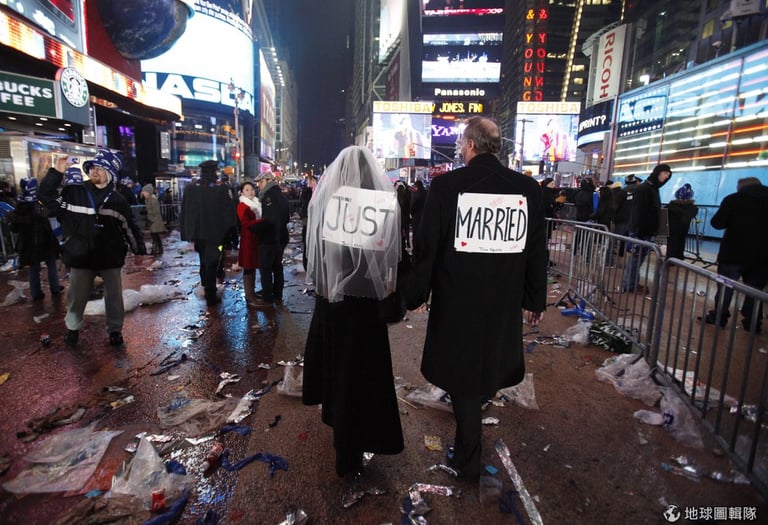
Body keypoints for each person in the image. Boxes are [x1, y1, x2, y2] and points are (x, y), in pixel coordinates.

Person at [405, 116, 547, 481]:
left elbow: (427, 246)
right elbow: (537, 249)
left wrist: (416, 293)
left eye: (461, 144)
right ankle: (469, 443)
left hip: (458, 297)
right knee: (485, 367)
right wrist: (534, 298)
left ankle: (468, 456)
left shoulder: (447, 186)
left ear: (469, 145)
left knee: (464, 374)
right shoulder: (526, 188)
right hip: (503, 298)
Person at [302, 145, 404, 478]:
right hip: (366, 308)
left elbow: (312, 257)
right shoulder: (382, 204)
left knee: (338, 373)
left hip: (333, 304)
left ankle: (343, 442)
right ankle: (358, 441)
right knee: (364, 377)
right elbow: (391, 260)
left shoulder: (326, 203)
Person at [38, 150, 146, 347]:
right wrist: (56, 173)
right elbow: (46, 198)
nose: (95, 171)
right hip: (81, 256)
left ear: (110, 174)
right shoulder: (74, 193)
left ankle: (115, 330)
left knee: (114, 297)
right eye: (93, 167)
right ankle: (72, 329)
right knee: (76, 297)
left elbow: (129, 227)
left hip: (109, 257)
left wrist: (139, 250)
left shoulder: (118, 200)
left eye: (101, 168)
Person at [702, 177, 768, 332]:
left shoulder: (733, 199)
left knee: (726, 287)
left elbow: (717, 223)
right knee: (755, 290)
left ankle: (719, 317)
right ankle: (753, 322)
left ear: (741, 188)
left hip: (733, 254)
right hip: (763, 256)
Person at [179, 160, 237, 307]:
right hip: (216, 234)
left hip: (198, 234)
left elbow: (185, 211)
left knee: (203, 259)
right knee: (212, 262)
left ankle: (205, 283)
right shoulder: (221, 187)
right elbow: (228, 212)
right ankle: (210, 293)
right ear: (214, 171)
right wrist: (230, 233)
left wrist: (186, 232)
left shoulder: (192, 187)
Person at [7, 177, 63, 301]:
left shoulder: (20, 205)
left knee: (34, 268)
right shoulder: (39, 203)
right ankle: (54, 288)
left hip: (29, 243)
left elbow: (15, 228)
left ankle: (36, 293)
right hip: (45, 240)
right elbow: (48, 216)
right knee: (51, 264)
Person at [620, 164, 671, 293]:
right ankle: (630, 284)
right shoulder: (644, 189)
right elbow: (638, 212)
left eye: (668, 175)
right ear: (658, 172)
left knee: (638, 258)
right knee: (636, 259)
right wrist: (639, 232)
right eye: (665, 173)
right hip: (641, 231)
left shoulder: (652, 189)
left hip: (645, 230)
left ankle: (631, 282)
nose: (667, 176)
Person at [253, 172, 290, 304]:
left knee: (266, 268)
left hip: (270, 237)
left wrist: (255, 227)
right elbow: (286, 217)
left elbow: (269, 219)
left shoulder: (268, 196)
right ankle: (278, 293)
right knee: (277, 266)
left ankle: (267, 296)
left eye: (261, 182)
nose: (258, 185)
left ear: (268, 181)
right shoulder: (280, 194)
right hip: (281, 236)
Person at [236, 181, 263, 306]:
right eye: (247, 190)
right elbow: (245, 223)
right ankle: (249, 297)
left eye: (252, 189)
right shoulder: (243, 206)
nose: (251, 192)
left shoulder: (256, 203)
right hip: (248, 240)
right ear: (242, 193)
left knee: (252, 267)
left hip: (255, 240)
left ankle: (252, 293)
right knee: (248, 268)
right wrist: (263, 222)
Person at [665, 183, 698, 260]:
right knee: (681, 242)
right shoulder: (692, 208)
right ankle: (679, 258)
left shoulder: (671, 206)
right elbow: (692, 213)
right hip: (684, 228)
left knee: (672, 243)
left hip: (672, 228)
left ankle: (670, 259)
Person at [140, 184, 166, 256]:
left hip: (155, 221)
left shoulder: (153, 199)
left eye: (144, 192)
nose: (143, 194)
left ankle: (155, 250)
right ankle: (159, 249)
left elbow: (156, 211)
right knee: (155, 236)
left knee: (155, 235)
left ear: (148, 192)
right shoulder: (147, 199)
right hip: (152, 220)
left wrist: (147, 212)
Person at [298, 175, 317, 271]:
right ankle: (307, 264)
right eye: (310, 181)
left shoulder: (318, 191)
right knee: (307, 242)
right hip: (307, 219)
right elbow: (304, 201)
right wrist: (309, 189)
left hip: (315, 219)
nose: (312, 182)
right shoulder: (306, 191)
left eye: (313, 180)